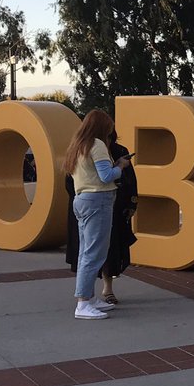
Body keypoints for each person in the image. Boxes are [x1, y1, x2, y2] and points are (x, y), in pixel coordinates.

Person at [64, 110, 132, 320]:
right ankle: (83, 303)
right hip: (98, 201)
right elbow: (106, 176)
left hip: (82, 200)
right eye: (109, 127)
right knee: (95, 254)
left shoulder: (78, 146)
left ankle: (88, 298)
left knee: (86, 251)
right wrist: (120, 165)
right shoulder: (98, 145)